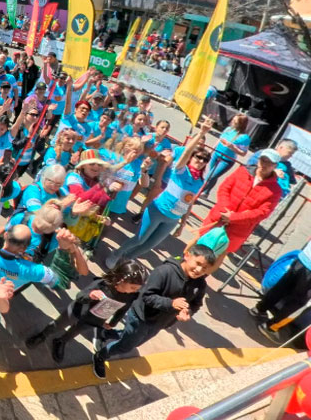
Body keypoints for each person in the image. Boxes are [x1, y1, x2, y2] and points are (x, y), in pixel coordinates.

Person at [92, 245, 214, 379]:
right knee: (126, 346)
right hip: (141, 317)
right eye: (198, 263)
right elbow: (146, 296)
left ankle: (105, 333)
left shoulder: (200, 284)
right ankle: (101, 355)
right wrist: (171, 303)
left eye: (205, 268)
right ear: (187, 256)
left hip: (160, 323)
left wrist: (188, 312)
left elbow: (196, 303)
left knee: (134, 340)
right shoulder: (164, 272)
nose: (199, 270)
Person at [107, 117, 213, 265]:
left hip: (172, 219)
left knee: (148, 246)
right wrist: (201, 133)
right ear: (191, 158)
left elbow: (189, 202)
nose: (201, 161)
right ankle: (116, 254)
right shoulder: (181, 170)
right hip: (158, 210)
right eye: (199, 157)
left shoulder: (200, 180)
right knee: (139, 239)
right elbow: (186, 153)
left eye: (205, 160)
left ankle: (125, 260)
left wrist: (182, 224)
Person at [26, 259, 148, 363]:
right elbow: (80, 296)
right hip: (77, 311)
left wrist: (113, 323)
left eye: (137, 289)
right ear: (121, 279)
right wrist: (91, 295)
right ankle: (43, 335)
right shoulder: (102, 285)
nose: (134, 291)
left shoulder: (130, 296)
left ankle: (61, 341)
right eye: (133, 287)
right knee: (58, 325)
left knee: (75, 331)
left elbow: (122, 309)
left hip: (95, 319)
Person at [188, 149, 283, 269]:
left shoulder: (275, 190)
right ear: (259, 160)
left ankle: (201, 276)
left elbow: (262, 213)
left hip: (238, 229)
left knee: (218, 255)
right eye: (263, 160)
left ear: (275, 166)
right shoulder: (242, 171)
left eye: (270, 162)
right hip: (218, 218)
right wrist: (225, 211)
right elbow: (224, 189)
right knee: (198, 241)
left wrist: (233, 218)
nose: (265, 164)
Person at [251, 237, 311, 341]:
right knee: (298, 302)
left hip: (303, 257)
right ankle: (271, 327)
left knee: (282, 286)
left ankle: (259, 308)